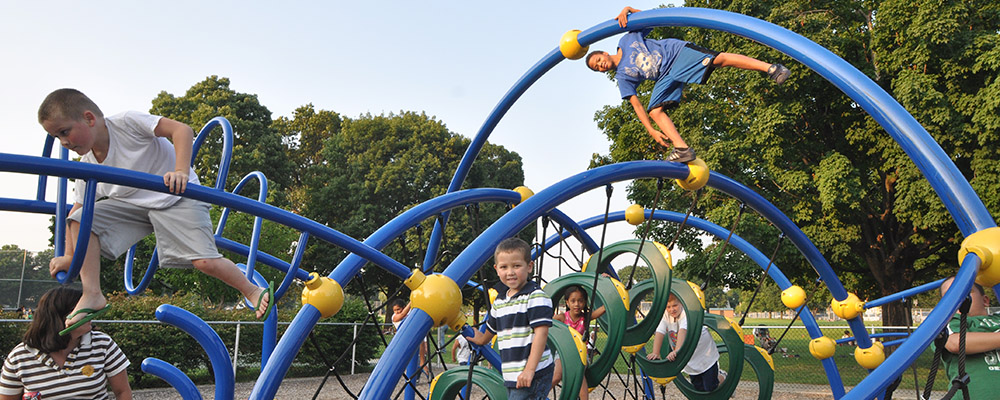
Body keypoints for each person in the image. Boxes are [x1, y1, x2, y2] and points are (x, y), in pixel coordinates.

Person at [37, 89, 272, 335]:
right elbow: (78, 209)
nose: (63, 142)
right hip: (135, 208)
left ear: (89, 118)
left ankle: (251, 290)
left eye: (64, 132)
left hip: (177, 195)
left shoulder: (126, 124)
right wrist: (69, 255)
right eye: (56, 137)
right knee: (81, 218)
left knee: (204, 262)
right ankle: (92, 293)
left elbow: (181, 130)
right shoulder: (88, 167)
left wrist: (181, 170)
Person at [586, 6, 791, 163]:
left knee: (719, 60)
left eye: (598, 61)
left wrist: (629, 11)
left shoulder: (626, 40)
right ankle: (683, 149)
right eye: (597, 69)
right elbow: (636, 104)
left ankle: (771, 68)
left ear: (604, 53)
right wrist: (651, 131)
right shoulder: (622, 76)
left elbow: (653, 20)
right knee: (654, 111)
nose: (601, 66)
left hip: (676, 54)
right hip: (665, 76)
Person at [0, 287, 131, 399]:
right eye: (83, 309)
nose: (90, 313)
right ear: (61, 316)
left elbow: (122, 391)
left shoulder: (102, 344)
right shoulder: (20, 357)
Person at [467, 237, 554, 399]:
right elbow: (491, 330)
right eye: (504, 267)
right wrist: (480, 339)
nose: (510, 272)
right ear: (496, 269)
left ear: (529, 267)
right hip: (513, 376)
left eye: (516, 266)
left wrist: (530, 369)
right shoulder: (500, 301)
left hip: (534, 373)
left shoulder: (535, 297)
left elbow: (541, 334)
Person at [937, 276, 1000, 398]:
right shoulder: (949, 322)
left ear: (985, 300)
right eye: (949, 295)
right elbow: (956, 343)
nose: (958, 298)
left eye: (966, 291)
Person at [647, 293, 721, 392]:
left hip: (705, 355)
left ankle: (722, 378)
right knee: (698, 388)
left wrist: (677, 350)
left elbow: (683, 330)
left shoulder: (686, 313)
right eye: (668, 307)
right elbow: (660, 331)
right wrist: (655, 353)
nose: (671, 309)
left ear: (681, 303)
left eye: (674, 305)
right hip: (690, 358)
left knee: (710, 387)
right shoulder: (665, 315)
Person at [551, 284, 606, 400]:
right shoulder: (562, 318)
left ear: (585, 302)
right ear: (567, 302)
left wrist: (605, 284)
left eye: (580, 301)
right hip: (563, 354)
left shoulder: (585, 317)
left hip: (581, 354)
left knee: (579, 377)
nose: (577, 304)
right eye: (573, 301)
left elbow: (602, 309)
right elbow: (546, 322)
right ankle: (536, 395)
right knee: (556, 376)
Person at [390, 298, 430, 377]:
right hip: (401, 339)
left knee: (421, 342)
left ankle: (422, 363)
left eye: (399, 309)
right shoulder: (394, 317)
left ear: (403, 307)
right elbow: (402, 315)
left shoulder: (410, 315)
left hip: (410, 337)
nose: (397, 311)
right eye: (395, 310)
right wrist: (412, 301)